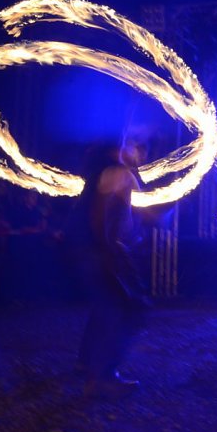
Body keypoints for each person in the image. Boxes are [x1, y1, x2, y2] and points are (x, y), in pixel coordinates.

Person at [67, 138, 149, 399]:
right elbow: (100, 214)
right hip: (102, 252)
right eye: (137, 146)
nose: (141, 152)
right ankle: (103, 376)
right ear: (120, 150)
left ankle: (86, 363)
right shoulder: (118, 173)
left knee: (105, 309)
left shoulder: (109, 173)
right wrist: (108, 248)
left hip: (96, 250)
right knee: (129, 310)